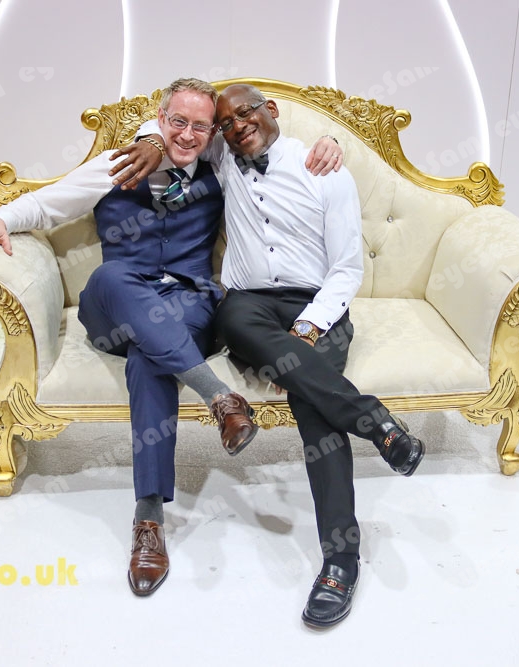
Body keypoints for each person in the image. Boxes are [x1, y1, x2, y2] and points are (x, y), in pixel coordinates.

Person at [0, 78, 343, 598]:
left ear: (212, 134)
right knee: (110, 276)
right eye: (177, 122)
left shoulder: (220, 168)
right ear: (159, 120)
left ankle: (149, 520)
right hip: (114, 305)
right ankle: (219, 398)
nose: (187, 134)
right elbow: (48, 205)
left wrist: (330, 143)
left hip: (187, 306)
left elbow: (274, 149)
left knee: (148, 358)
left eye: (200, 126)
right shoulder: (117, 164)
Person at [119, 84, 425, 626]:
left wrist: (307, 328)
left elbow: (346, 270)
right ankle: (377, 423)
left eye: (246, 113)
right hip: (251, 308)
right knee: (233, 318)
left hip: (319, 305)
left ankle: (340, 560)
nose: (237, 126)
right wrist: (149, 139)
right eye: (226, 122)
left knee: (315, 406)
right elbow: (175, 126)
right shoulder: (221, 154)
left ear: (272, 111)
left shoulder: (326, 170)